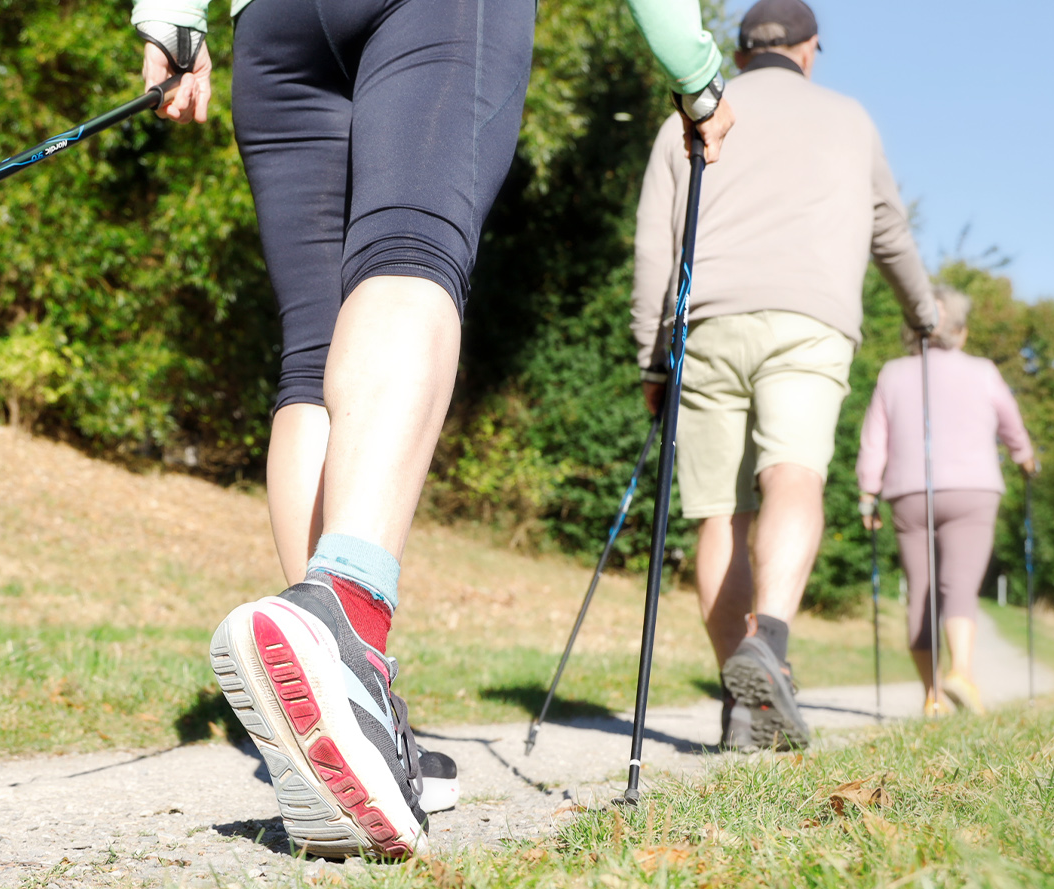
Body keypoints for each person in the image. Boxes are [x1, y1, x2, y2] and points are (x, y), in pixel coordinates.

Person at [131, 0, 735, 860]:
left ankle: (347, 682)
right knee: (410, 252)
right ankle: (345, 623)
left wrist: (171, 20)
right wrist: (699, 78)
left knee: (312, 346)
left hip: (273, 24)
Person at [629, 0, 937, 752]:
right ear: (809, 49)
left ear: (737, 53)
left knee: (718, 516)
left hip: (707, 323)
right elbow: (888, 231)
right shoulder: (849, 117)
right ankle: (768, 643)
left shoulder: (691, 116)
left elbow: (653, 245)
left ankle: (746, 704)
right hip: (810, 320)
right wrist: (923, 313)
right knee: (792, 476)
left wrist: (650, 354)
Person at [856, 286, 1035, 716]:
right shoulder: (983, 371)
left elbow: (874, 439)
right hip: (973, 491)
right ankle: (961, 674)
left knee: (921, 592)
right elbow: (1011, 423)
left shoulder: (892, 373)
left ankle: (932, 696)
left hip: (908, 493)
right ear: (961, 332)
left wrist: (868, 492)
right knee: (958, 585)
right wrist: (1024, 457)